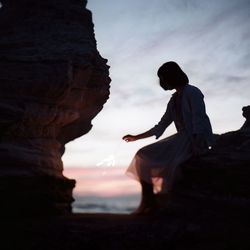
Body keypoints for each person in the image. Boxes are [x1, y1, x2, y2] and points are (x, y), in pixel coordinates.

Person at [122, 61, 213, 215]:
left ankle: (155, 204)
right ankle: (149, 201)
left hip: (193, 138)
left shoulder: (193, 92)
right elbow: (161, 125)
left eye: (162, 78)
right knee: (142, 155)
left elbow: (199, 118)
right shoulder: (173, 100)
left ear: (171, 76)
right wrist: (136, 137)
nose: (161, 82)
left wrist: (198, 144)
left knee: (169, 164)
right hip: (180, 139)